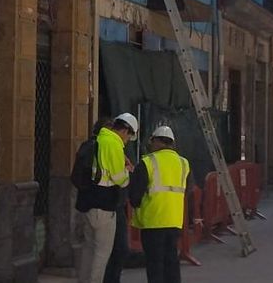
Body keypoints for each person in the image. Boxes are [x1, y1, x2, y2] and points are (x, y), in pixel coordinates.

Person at [77, 113, 139, 283]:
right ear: (125, 130)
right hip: (104, 206)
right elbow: (120, 179)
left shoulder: (98, 140)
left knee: (88, 249)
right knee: (102, 253)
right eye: (129, 135)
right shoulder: (113, 144)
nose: (127, 140)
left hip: (87, 203)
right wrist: (128, 172)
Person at [130, 126, 190, 283]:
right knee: (172, 262)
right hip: (174, 220)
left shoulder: (148, 162)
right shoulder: (183, 163)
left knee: (155, 264)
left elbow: (135, 195)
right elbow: (188, 189)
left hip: (152, 221)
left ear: (156, 141)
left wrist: (137, 205)